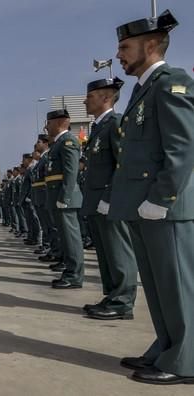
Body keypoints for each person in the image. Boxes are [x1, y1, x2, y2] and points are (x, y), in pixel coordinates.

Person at [110, 10, 194, 385]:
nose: (119, 54)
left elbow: (182, 146)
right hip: (145, 207)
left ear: (151, 45)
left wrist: (162, 198)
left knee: (177, 287)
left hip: (167, 208)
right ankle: (167, 348)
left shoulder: (171, 82)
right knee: (160, 289)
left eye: (125, 47)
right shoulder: (143, 88)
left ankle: (186, 361)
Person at [80, 76, 138, 321]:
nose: (85, 101)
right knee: (105, 252)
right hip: (95, 201)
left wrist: (110, 197)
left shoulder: (115, 123)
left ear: (106, 97)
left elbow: (123, 165)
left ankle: (123, 301)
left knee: (118, 251)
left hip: (108, 201)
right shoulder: (99, 128)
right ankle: (113, 295)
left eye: (90, 96)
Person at [44, 109, 84, 289]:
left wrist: (65, 197)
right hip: (58, 196)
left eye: (49, 123)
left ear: (59, 122)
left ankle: (74, 275)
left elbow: (71, 172)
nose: (46, 126)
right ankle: (69, 270)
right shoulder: (58, 143)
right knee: (65, 238)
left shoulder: (68, 141)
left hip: (64, 198)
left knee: (71, 239)